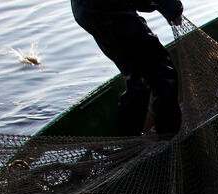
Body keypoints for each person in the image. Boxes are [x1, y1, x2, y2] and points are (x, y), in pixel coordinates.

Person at [71, 0, 184, 137]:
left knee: (138, 77)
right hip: (109, 11)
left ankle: (129, 138)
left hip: (87, 10)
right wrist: (172, 9)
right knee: (164, 75)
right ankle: (169, 138)